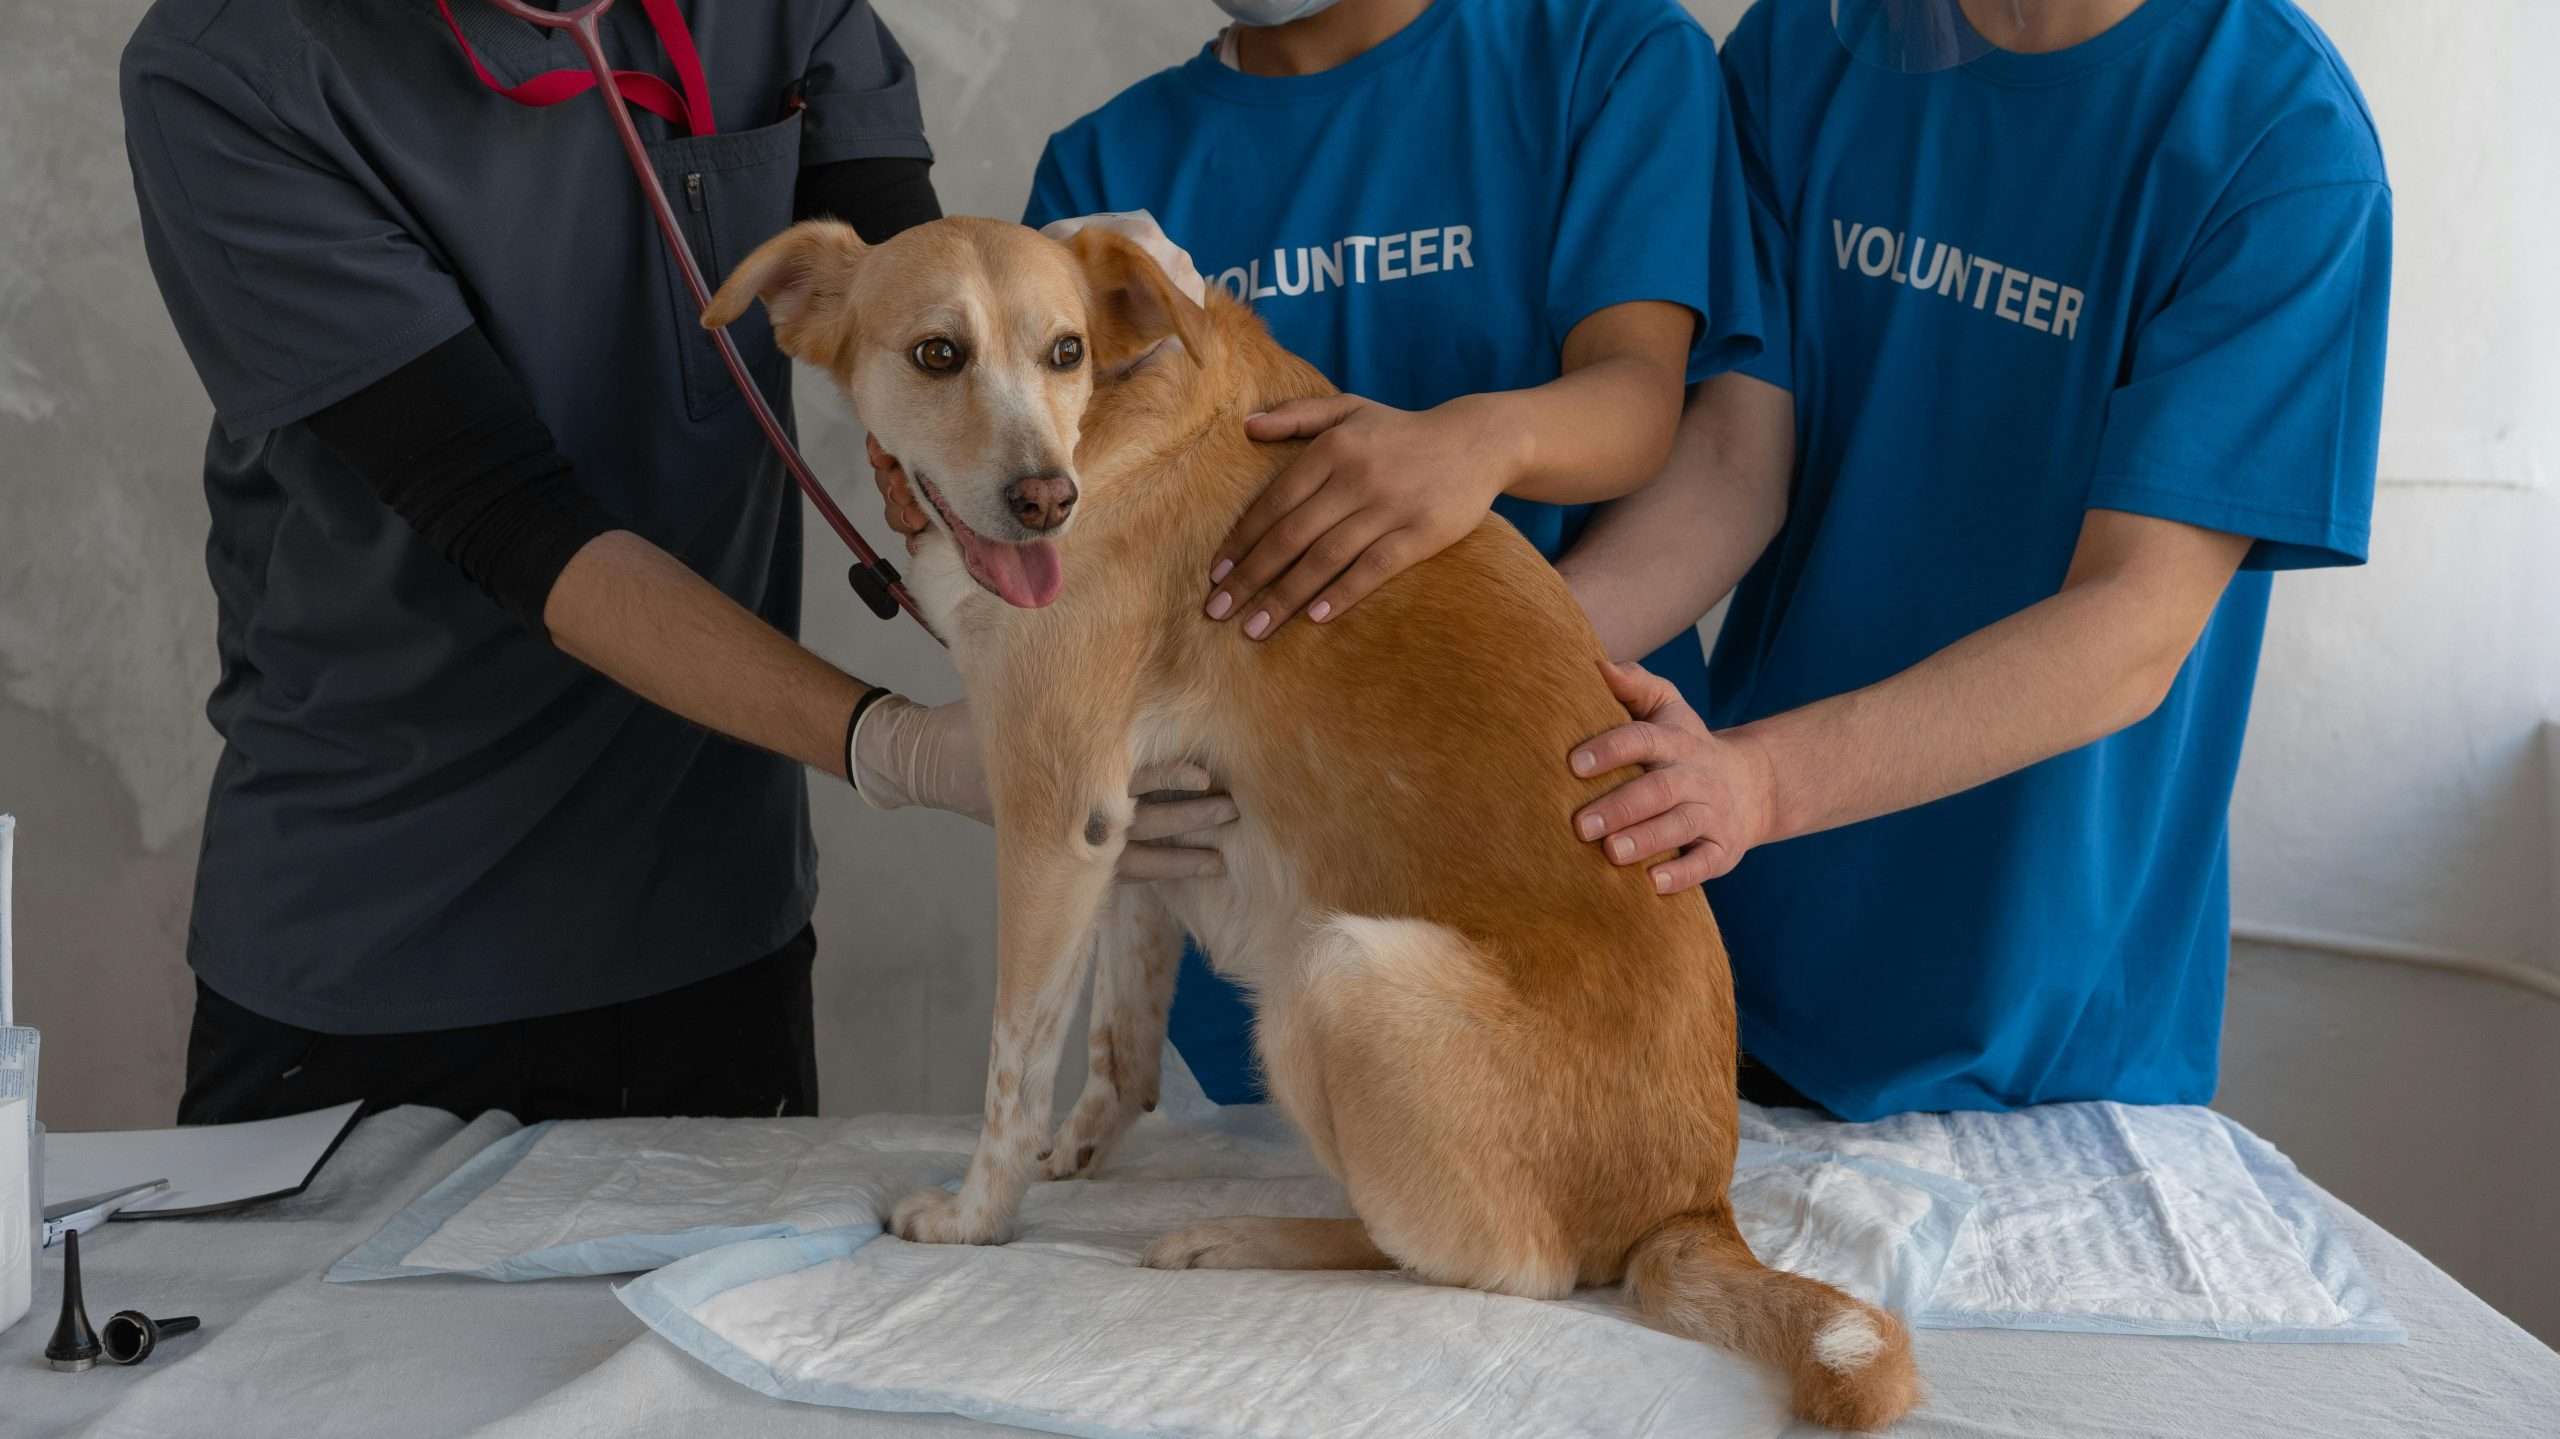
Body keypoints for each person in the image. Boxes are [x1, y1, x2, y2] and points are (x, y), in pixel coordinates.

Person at [121, 0, 1228, 1126]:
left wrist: (982, 439)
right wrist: (898, 745)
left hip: (710, 913)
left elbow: (906, 280)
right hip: (384, 934)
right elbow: (505, 513)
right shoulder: (232, 66)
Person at [872, 0, 1766, 1103]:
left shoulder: (1600, 55)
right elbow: (1055, 533)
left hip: (1543, 855)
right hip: (1260, 945)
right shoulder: (1106, 169)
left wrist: (1488, 440)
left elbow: (1643, 407)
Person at [1544, 0, 2387, 1119]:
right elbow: (1729, 469)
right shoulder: (1806, 46)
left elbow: (2128, 625)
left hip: (2050, 1039)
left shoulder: (2281, 137)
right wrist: (1480, 670)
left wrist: (1762, 780)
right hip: (1743, 963)